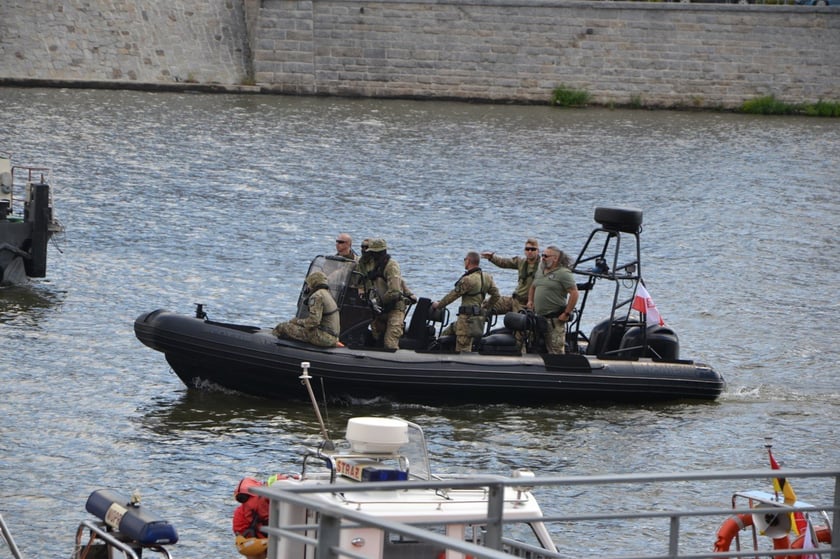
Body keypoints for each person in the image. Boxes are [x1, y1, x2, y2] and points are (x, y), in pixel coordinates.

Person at [432, 251, 500, 353]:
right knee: (448, 331)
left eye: (465, 260)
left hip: (466, 321)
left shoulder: (468, 280)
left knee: (463, 349)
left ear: (468, 261)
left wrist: (439, 305)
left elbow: (452, 296)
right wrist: (485, 306)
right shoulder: (487, 278)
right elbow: (496, 295)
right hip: (478, 321)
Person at [526, 245, 579, 354]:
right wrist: (530, 301)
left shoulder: (563, 273)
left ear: (555, 258)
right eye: (542, 255)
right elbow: (533, 286)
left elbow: (574, 293)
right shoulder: (540, 271)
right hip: (539, 318)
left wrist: (567, 313)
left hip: (554, 319)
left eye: (546, 256)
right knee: (537, 347)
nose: (543, 258)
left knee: (555, 350)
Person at [358, 238, 406, 350]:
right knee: (375, 337)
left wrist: (378, 301)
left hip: (395, 308)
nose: (371, 255)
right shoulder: (374, 265)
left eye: (373, 253)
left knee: (390, 344)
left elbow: (394, 291)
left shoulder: (391, 266)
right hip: (380, 309)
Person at [272, 271, 340, 347]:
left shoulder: (317, 296)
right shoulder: (327, 294)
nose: (308, 287)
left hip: (323, 337)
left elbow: (314, 322)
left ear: (313, 283)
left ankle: (272, 344)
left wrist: (297, 321)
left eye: (308, 284)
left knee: (283, 327)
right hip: (332, 337)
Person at [481, 238, 540, 314]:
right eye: (527, 249)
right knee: (486, 305)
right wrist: (492, 257)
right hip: (515, 300)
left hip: (529, 304)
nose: (530, 251)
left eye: (533, 249)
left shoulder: (542, 266)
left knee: (519, 319)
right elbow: (504, 262)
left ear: (538, 251)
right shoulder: (521, 262)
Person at [232, 477, 269, 559]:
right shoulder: (266, 499)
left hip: (247, 545)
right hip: (258, 543)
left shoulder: (239, 512)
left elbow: (237, 531)